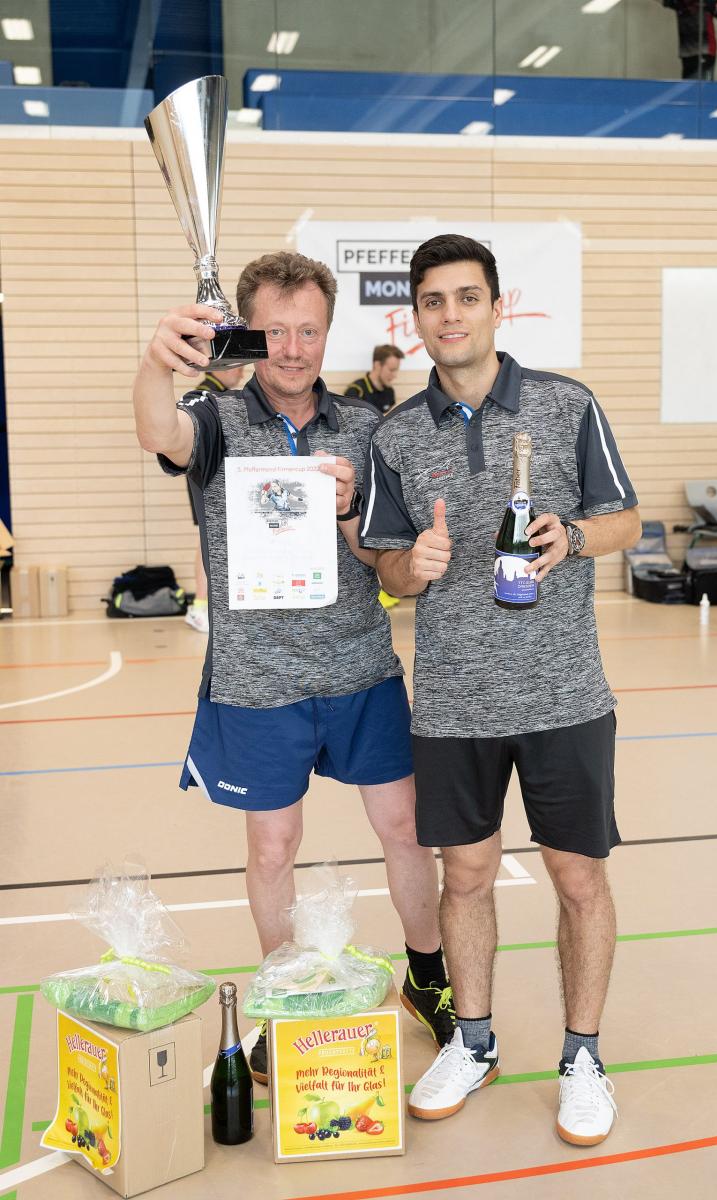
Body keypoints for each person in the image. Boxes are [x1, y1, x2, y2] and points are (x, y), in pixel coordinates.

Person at [132, 250, 453, 1085]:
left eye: (309, 331)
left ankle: (428, 977)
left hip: (361, 670)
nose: (293, 348)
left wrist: (352, 507)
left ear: (327, 333)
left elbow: (384, 555)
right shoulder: (212, 418)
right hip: (257, 680)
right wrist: (157, 360)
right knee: (274, 848)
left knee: (407, 829)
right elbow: (158, 431)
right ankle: (281, 1001)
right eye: (275, 331)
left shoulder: (367, 428)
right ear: (249, 330)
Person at [359, 234, 641, 1145]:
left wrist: (576, 538)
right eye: (433, 301)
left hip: (566, 696)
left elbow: (627, 518)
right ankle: (472, 1042)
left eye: (467, 297)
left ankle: (582, 1059)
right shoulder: (397, 436)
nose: (451, 316)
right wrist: (410, 565)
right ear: (416, 316)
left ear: (495, 305)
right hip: (452, 704)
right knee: (467, 875)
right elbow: (384, 564)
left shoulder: (567, 404)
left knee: (578, 878)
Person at [183, 365, 246, 633]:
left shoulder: (222, 394)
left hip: (220, 477)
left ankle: (206, 604)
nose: (241, 374)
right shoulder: (206, 396)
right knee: (206, 540)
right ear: (220, 368)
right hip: (206, 476)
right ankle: (199, 606)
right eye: (238, 367)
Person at [662, 0, 717, 80]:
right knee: (688, 86)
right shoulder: (678, 1)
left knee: (704, 85)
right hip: (686, 55)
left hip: (705, 52)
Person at [345, 345, 405, 415]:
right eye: (391, 370)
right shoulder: (356, 391)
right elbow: (351, 419)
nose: (395, 375)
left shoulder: (389, 391)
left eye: (396, 370)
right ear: (377, 365)